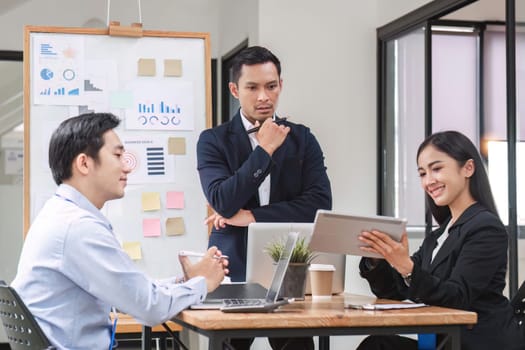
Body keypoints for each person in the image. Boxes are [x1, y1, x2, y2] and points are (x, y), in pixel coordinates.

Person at [11, 113, 228, 350]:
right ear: (84, 163)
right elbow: (150, 308)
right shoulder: (78, 227)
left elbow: (132, 291)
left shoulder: (61, 214)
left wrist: (184, 281)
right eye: (117, 155)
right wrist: (202, 283)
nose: (127, 166)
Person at [197, 46, 332, 349]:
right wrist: (265, 150)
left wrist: (252, 216)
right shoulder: (212, 141)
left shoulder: (303, 139)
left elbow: (319, 205)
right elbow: (222, 200)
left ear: (280, 85)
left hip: (288, 268)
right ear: (234, 89)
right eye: (252, 87)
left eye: (271, 86)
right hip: (231, 268)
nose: (263, 96)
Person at [356, 130, 525, 350]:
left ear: (468, 168)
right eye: (422, 173)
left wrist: (406, 267)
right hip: (447, 342)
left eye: (436, 169)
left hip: (477, 343)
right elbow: (399, 291)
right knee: (377, 345)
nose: (428, 181)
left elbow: (457, 297)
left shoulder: (486, 227)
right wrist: (379, 259)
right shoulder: (440, 233)